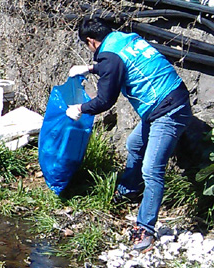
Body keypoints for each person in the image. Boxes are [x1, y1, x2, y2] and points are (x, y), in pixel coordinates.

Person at [66, 18, 191, 251]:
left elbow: (105, 100)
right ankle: (129, 190)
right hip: (168, 100)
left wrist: (80, 109)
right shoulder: (124, 39)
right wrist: (90, 68)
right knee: (135, 144)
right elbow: (120, 65)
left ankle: (145, 229)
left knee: (152, 170)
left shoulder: (109, 56)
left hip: (168, 110)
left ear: (91, 41)